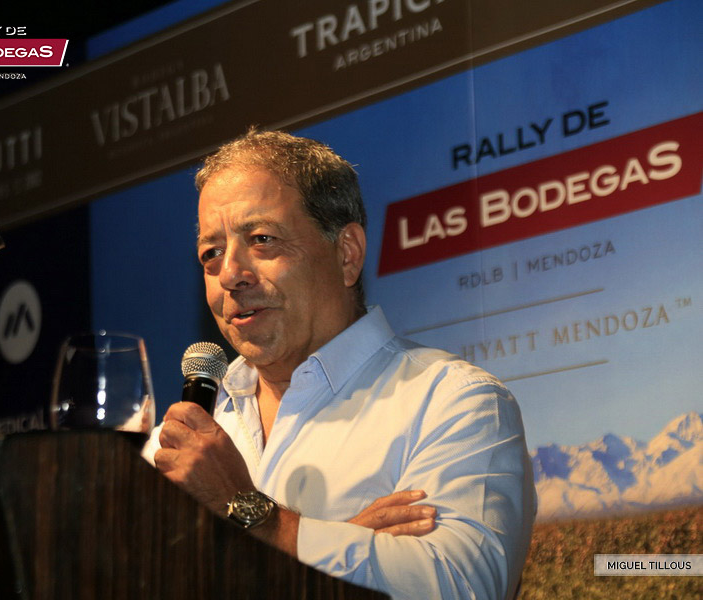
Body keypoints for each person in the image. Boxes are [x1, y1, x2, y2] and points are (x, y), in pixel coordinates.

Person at [143, 129, 536, 600]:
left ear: (347, 253)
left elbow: (461, 586)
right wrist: (339, 547)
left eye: (262, 239)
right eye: (211, 253)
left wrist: (257, 518)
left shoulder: (454, 402)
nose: (229, 274)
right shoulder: (176, 446)